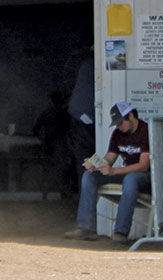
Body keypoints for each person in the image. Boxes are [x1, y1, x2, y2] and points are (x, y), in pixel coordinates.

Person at [64, 101, 150, 243]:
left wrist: (114, 171)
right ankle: (86, 227)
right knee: (89, 176)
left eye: (120, 122)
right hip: (126, 174)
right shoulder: (118, 133)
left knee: (131, 179)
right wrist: (97, 165)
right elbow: (110, 157)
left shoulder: (145, 131)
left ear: (130, 116)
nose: (118, 126)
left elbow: (143, 165)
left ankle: (121, 232)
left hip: (145, 178)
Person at [67, 52, 95, 194]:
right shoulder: (93, 66)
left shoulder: (85, 66)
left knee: (84, 164)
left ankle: (87, 207)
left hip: (81, 119)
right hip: (86, 122)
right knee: (87, 165)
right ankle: (90, 207)